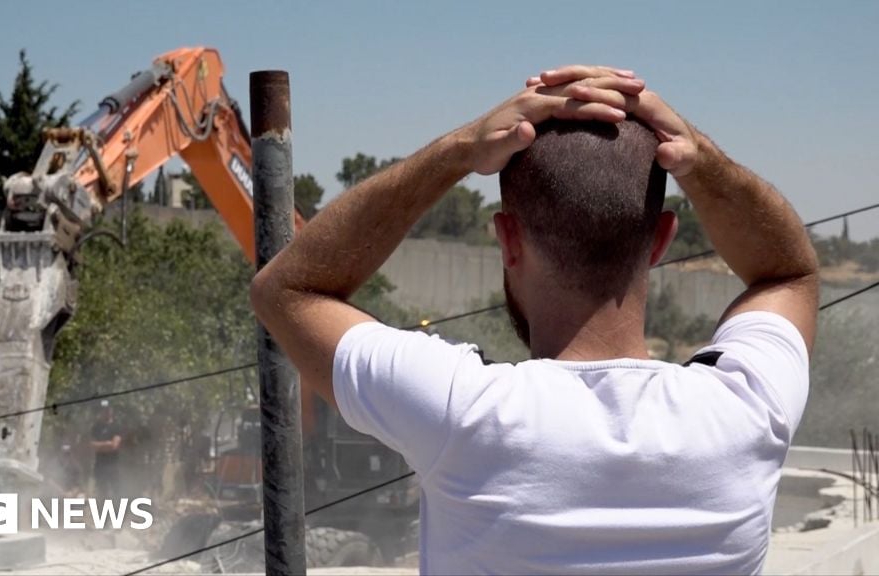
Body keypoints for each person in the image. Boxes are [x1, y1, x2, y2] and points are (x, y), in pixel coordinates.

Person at [250, 64, 817, 574]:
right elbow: (788, 272)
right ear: (661, 240)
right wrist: (703, 162)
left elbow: (287, 290)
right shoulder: (749, 409)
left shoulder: (459, 409)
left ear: (507, 239)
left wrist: (460, 150)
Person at [90, 400, 123, 500]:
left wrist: (101, 446)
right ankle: (101, 513)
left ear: (111, 410)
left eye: (107, 409)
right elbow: (92, 445)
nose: (106, 412)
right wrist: (107, 444)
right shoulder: (96, 427)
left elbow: (114, 446)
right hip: (100, 464)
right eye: (103, 410)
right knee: (101, 491)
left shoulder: (117, 426)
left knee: (115, 491)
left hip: (113, 465)